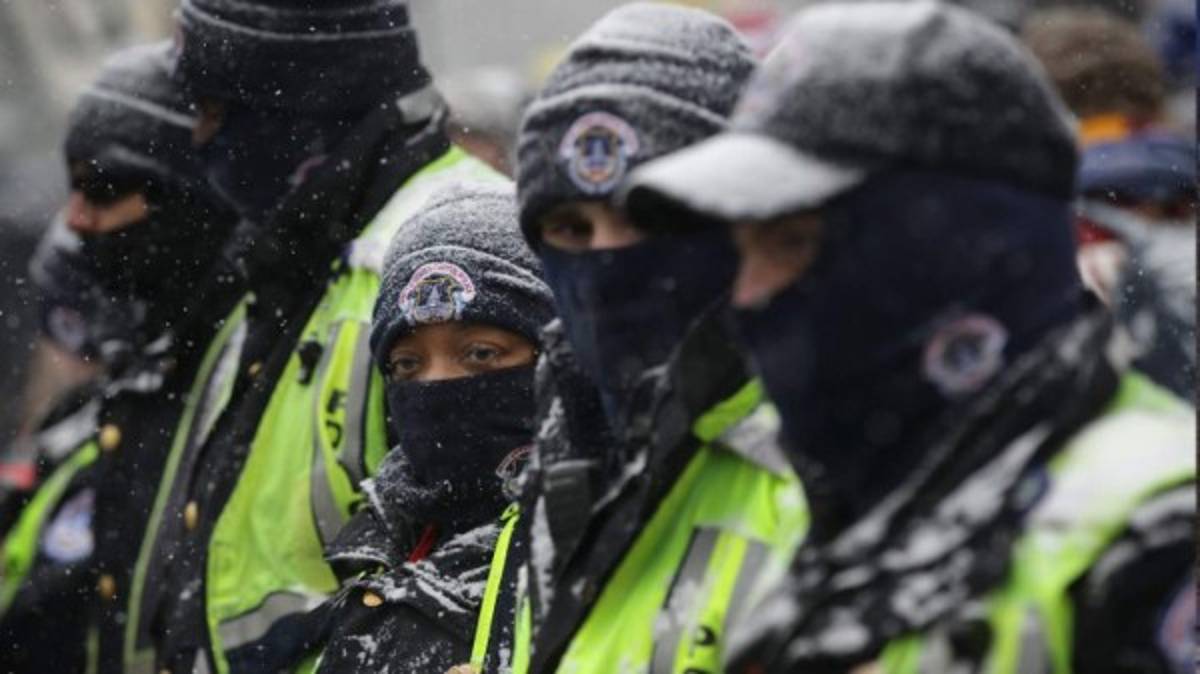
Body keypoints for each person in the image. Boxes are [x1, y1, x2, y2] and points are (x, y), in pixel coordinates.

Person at [623, 3, 1195, 673]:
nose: (748, 296)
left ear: (953, 247)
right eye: (743, 251)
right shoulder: (860, 512)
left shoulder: (1155, 528)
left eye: (793, 242)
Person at [120, 2, 502, 673]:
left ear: (298, 100)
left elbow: (490, 575)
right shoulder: (291, 259)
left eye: (214, 108)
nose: (201, 138)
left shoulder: (449, 257)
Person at [475, 5, 807, 672]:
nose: (607, 264)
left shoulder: (819, 472)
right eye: (571, 229)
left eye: (645, 217)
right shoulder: (561, 463)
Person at [0, 40, 236, 673]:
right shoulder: (117, 405)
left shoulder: (237, 375)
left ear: (190, 194)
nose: (76, 220)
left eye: (102, 191)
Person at [311, 182, 555, 672]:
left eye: (480, 354)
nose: (437, 385)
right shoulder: (382, 545)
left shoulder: (579, 562)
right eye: (407, 363)